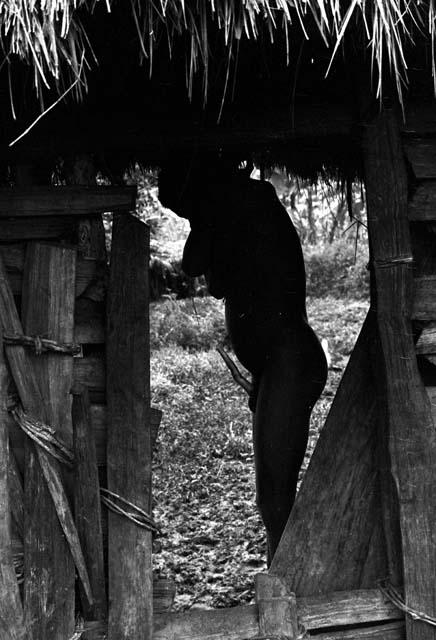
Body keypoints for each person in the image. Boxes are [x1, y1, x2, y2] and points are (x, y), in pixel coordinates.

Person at [159, 158, 327, 563]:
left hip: (289, 361)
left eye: (183, 208)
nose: (186, 217)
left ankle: (288, 586)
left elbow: (193, 262)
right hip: (278, 365)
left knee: (275, 495)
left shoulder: (237, 199)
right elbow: (211, 271)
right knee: (270, 492)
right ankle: (283, 578)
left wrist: (202, 213)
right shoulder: (240, 204)